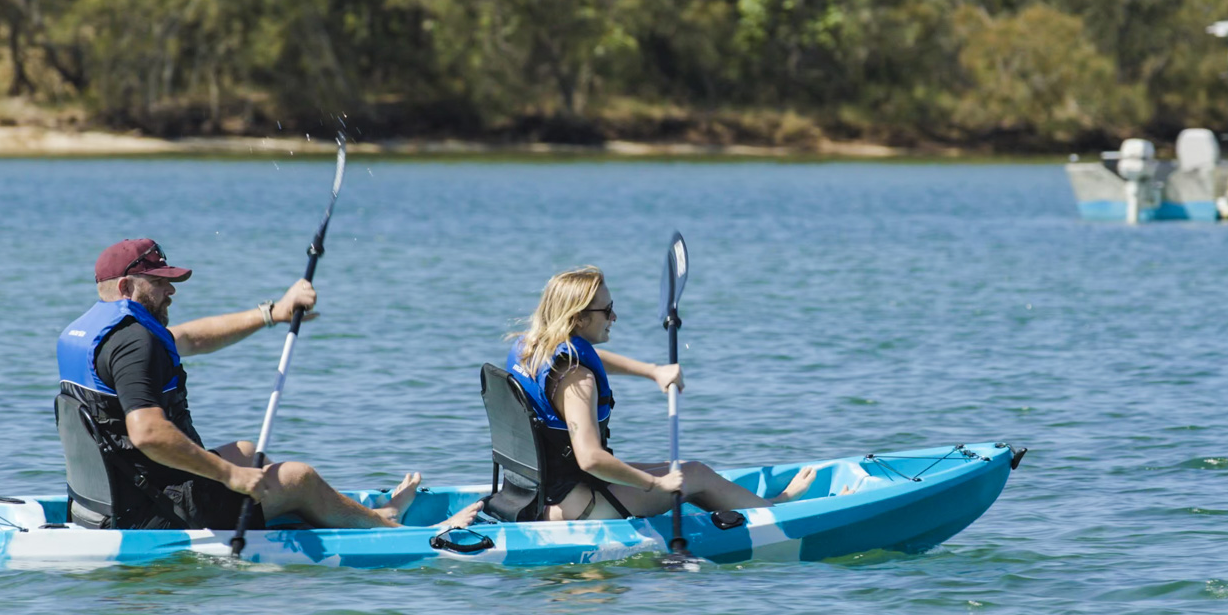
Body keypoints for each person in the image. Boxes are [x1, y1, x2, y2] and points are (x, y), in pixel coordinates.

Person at [57, 238, 481, 531]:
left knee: (246, 451)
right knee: (298, 477)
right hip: (153, 513)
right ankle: (385, 523)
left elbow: (190, 338)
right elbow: (147, 433)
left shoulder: (100, 332)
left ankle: (310, 512)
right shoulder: (136, 344)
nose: (171, 290)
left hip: (111, 496)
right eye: (161, 282)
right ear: (128, 286)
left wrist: (272, 313)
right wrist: (229, 477)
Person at [505, 265, 815, 521]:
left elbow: (588, 356)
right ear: (579, 318)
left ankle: (766, 504)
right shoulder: (577, 380)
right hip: (580, 506)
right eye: (607, 310)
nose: (614, 317)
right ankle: (776, 513)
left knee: (683, 470)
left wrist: (653, 371)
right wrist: (656, 484)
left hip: (539, 492)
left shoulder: (531, 350)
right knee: (694, 475)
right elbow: (590, 459)